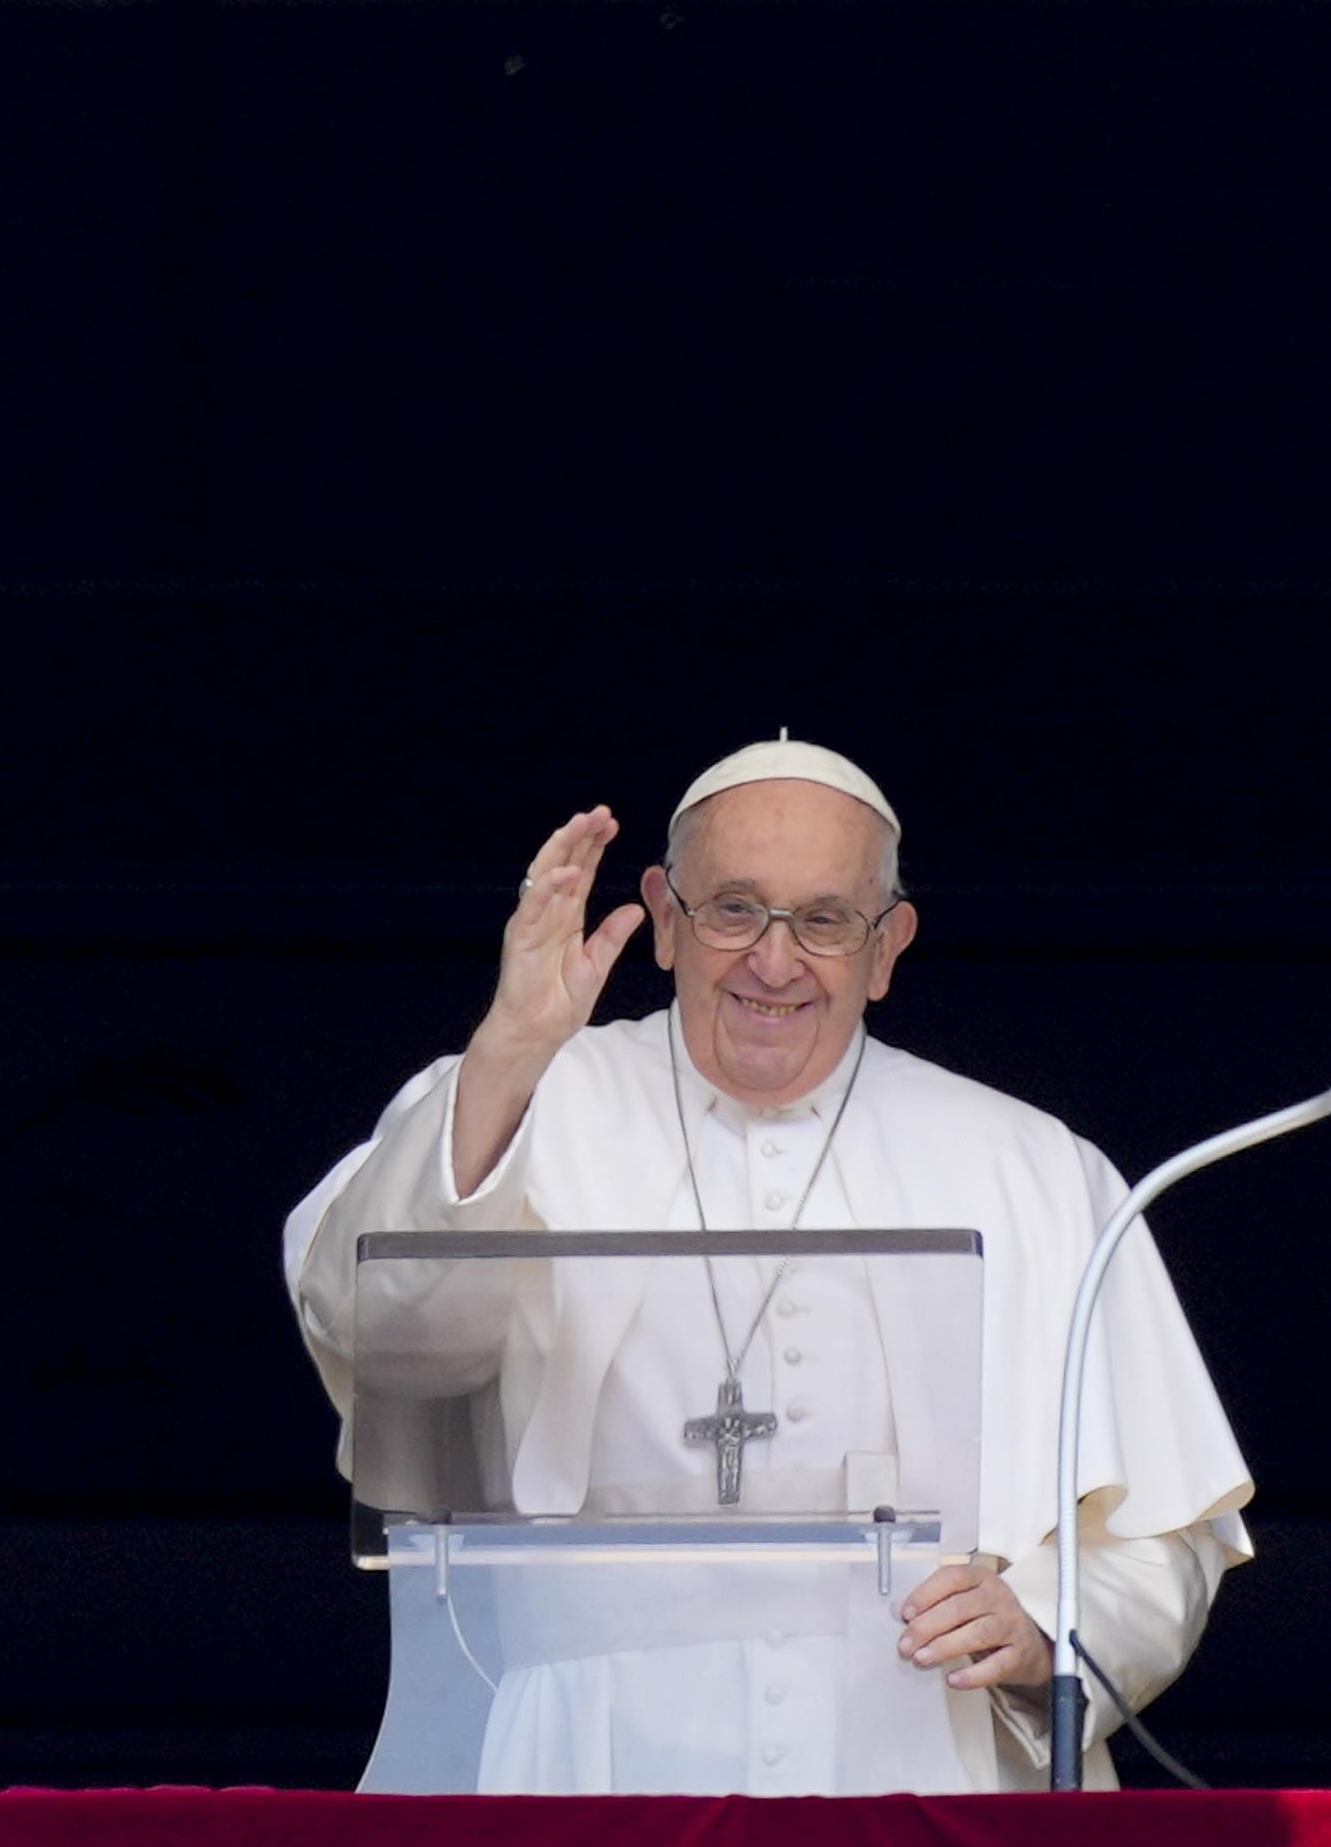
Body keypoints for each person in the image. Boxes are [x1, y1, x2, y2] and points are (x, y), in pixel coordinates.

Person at [284, 736, 1251, 1792]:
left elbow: (1162, 1536)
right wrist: (511, 1042)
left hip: (920, 1764)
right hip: (579, 1766)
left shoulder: (1028, 1165)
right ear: (661, 917)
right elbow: (389, 1339)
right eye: (732, 909)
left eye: (825, 920)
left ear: (886, 947)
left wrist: (1045, 1617)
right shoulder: (514, 1101)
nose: (773, 962)